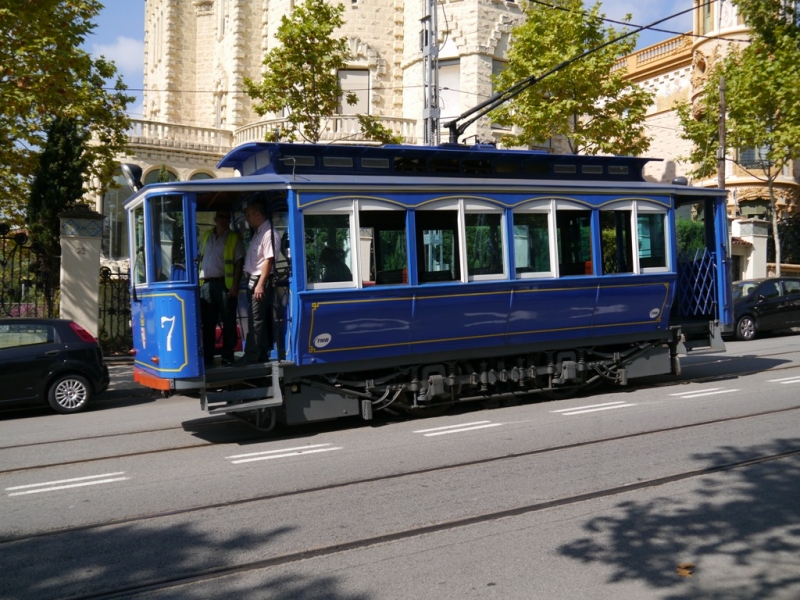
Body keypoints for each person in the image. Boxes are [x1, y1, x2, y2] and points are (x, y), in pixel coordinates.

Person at [198, 210, 244, 367]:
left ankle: (227, 356)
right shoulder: (206, 236)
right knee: (208, 322)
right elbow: (199, 257)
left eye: (227, 218)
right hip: (206, 284)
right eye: (222, 217)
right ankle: (208, 357)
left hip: (225, 284)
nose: (225, 220)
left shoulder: (233, 237)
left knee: (228, 321)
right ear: (215, 219)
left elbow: (239, 262)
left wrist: (235, 285)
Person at [239, 202, 281, 363]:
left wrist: (260, 284)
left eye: (249, 215)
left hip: (260, 280)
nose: (247, 219)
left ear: (258, 215)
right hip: (253, 280)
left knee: (255, 319)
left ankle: (251, 355)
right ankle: (261, 352)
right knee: (255, 318)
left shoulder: (269, 234)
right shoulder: (259, 232)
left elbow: (268, 261)